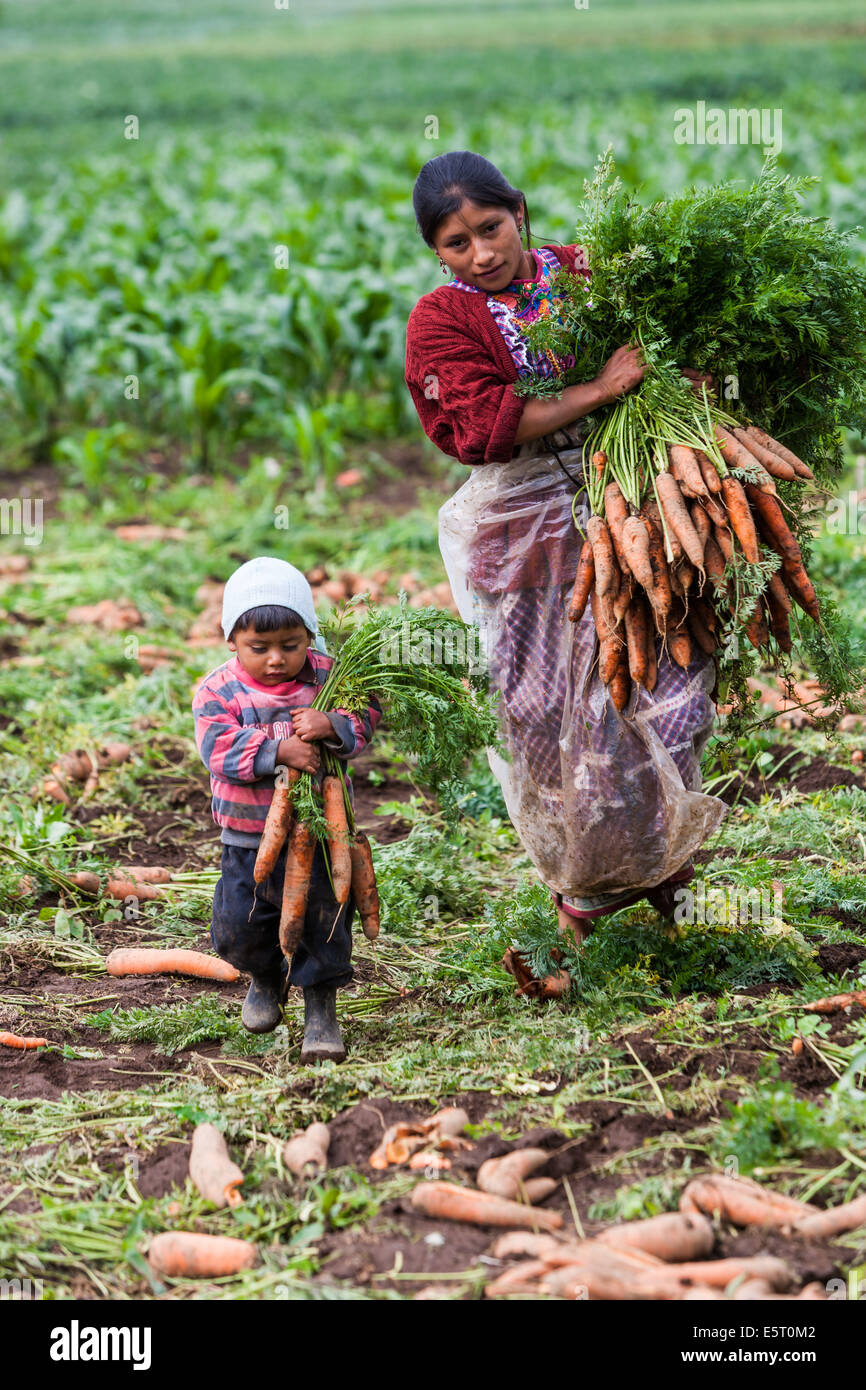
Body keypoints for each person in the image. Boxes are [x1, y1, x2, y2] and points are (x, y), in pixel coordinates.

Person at [404, 151, 724, 946]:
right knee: (548, 717)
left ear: (517, 209)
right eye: (456, 243)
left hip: (635, 506)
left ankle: (664, 872)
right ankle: (583, 891)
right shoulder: (440, 320)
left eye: (491, 227)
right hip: (523, 533)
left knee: (670, 696)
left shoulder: (583, 272)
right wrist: (598, 391)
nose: (482, 253)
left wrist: (686, 386)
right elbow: (480, 427)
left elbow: (659, 354)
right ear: (436, 251)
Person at [192, 557, 381, 1060]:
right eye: (260, 648)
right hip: (248, 838)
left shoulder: (328, 675)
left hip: (319, 835)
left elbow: (366, 708)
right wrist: (275, 752)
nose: (276, 659)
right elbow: (217, 748)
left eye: (290, 646)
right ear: (229, 638)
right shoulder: (218, 690)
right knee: (239, 925)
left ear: (310, 635)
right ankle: (264, 976)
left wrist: (334, 726)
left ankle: (321, 1009)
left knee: (322, 924)